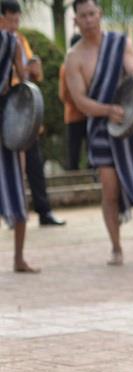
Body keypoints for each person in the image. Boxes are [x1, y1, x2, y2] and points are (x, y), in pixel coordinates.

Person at [64, 0, 133, 266]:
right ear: (75, 21)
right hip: (101, 129)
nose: (89, 19)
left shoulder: (121, 44)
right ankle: (116, 247)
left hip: (129, 123)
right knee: (110, 191)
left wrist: (124, 106)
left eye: (92, 13)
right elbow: (79, 101)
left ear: (99, 15)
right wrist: (106, 110)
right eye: (83, 16)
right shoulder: (74, 57)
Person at [0, 0, 65, 226]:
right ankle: (12, 212)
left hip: (20, 114)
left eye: (18, 19)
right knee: (14, 166)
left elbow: (25, 76)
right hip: (7, 112)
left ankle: (42, 211)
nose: (15, 24)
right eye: (12, 19)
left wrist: (33, 70)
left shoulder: (19, 42)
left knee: (33, 165)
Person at [0, 24, 37, 272]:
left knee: (16, 190)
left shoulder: (12, 41)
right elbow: (22, 76)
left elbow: (22, 78)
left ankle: (19, 258)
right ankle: (18, 258)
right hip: (6, 122)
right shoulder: (11, 40)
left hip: (6, 124)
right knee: (15, 190)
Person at [58, 35, 87, 171]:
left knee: (92, 148)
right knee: (74, 150)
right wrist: (80, 103)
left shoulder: (87, 64)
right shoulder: (65, 68)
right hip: (74, 115)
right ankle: (73, 175)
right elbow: (63, 94)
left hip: (89, 114)